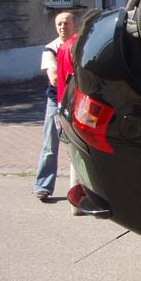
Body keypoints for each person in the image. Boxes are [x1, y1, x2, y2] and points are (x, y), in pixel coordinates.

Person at [34, 12, 75, 200]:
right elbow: (54, 79)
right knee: (50, 145)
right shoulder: (50, 49)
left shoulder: (80, 45)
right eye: (59, 23)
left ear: (74, 24)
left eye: (66, 23)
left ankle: (81, 190)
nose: (62, 27)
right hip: (56, 101)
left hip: (77, 100)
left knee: (78, 146)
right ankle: (43, 186)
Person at [56, 29, 83, 216]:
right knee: (81, 154)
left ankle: (76, 202)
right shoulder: (79, 46)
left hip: (65, 104)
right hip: (78, 105)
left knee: (74, 154)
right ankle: (78, 201)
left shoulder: (63, 47)